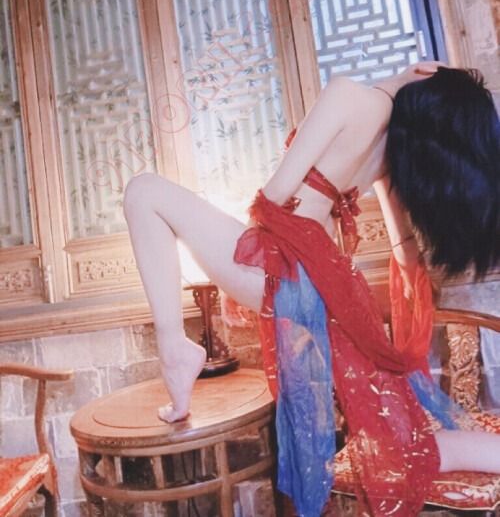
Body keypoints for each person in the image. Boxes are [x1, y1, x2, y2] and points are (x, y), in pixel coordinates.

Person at [123, 62, 500, 516]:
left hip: (290, 269)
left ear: (426, 71)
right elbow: (404, 250)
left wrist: (244, 262)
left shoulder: (349, 94)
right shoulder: (394, 146)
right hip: (328, 285)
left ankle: (174, 348)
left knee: (143, 191)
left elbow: (276, 195)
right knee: (406, 444)